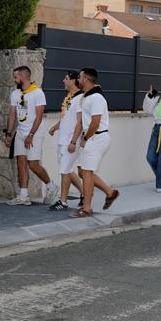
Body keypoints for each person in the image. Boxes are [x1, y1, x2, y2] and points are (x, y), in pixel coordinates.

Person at [4, 66, 60, 206]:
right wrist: (9, 133)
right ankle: (23, 196)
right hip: (20, 132)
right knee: (20, 162)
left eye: (16, 77)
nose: (14, 79)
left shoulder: (37, 93)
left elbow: (39, 116)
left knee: (34, 164)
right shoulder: (15, 93)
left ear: (23, 77)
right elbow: (12, 114)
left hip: (34, 133)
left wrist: (31, 135)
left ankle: (52, 187)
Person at [69, 67, 119, 218]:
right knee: (83, 172)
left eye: (80, 77)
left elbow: (95, 122)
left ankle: (86, 208)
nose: (78, 79)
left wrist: (84, 139)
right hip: (92, 138)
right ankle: (110, 193)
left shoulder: (96, 97)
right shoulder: (87, 96)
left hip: (96, 138)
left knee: (87, 173)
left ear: (86, 79)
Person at [47, 71, 85, 210]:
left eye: (66, 78)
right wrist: (55, 127)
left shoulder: (81, 98)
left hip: (70, 141)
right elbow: (66, 118)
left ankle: (63, 201)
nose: (63, 80)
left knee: (65, 170)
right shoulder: (69, 97)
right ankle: (85, 193)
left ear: (74, 80)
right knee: (66, 170)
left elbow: (80, 122)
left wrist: (74, 141)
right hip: (62, 140)